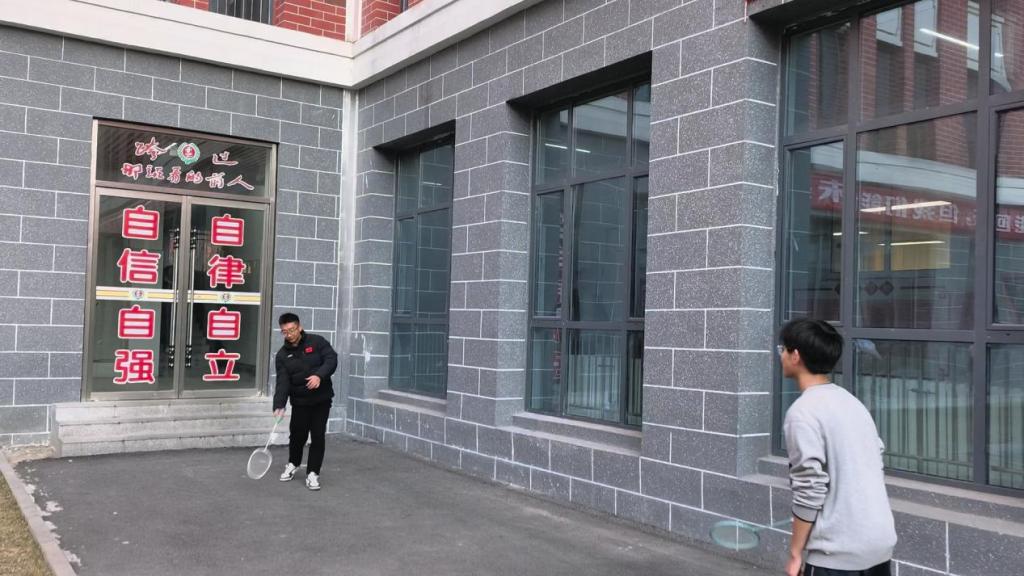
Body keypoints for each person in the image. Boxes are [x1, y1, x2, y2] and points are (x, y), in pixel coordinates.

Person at [778, 318, 896, 576]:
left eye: (783, 349)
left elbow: (809, 488)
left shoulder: (802, 412)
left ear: (795, 356)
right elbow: (875, 460)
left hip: (837, 554)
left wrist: (795, 553)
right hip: (879, 545)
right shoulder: (852, 402)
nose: (781, 356)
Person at [273, 312, 338, 491]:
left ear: (299, 327)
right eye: (285, 331)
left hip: (321, 400)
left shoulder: (317, 342)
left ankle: (313, 473)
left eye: (292, 329)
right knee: (297, 435)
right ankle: (293, 463)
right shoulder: (282, 356)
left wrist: (319, 376)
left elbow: (331, 359)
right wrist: (279, 405)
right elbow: (282, 383)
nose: (289, 334)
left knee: (318, 435)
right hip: (300, 402)